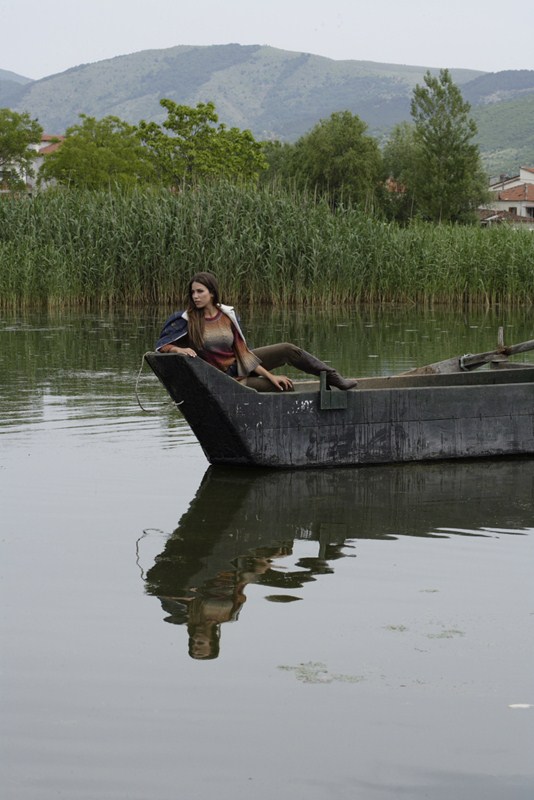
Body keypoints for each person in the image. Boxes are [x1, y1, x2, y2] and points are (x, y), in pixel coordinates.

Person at [155, 272, 357, 392]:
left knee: (287, 349)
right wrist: (178, 350)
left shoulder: (227, 315)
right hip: (222, 378)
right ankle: (254, 385)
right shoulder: (187, 320)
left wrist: (270, 375)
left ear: (212, 292)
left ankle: (333, 378)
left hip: (240, 366)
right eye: (193, 292)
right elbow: (162, 345)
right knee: (285, 387)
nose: (195, 296)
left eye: (200, 291)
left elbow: (244, 354)